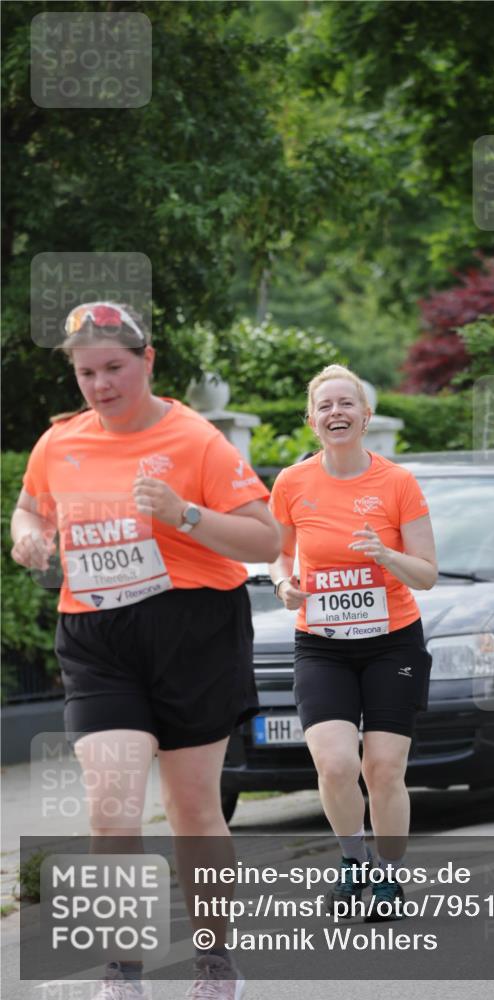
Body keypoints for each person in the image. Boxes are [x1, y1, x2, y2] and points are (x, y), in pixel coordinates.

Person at [10, 302, 281, 1000]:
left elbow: (265, 539)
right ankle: (122, 973)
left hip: (194, 630)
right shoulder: (59, 442)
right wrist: (28, 534)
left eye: (114, 368)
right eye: (86, 373)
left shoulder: (196, 441)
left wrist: (183, 514)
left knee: (192, 810)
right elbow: (31, 505)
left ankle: (215, 965)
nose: (101, 385)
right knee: (112, 808)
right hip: (97, 635)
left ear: (148, 360)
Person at [268, 364, 437, 920]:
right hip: (322, 644)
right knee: (336, 764)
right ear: (311, 420)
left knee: (383, 768)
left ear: (365, 416)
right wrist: (283, 584)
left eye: (346, 404)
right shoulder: (292, 483)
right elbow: (277, 553)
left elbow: (427, 573)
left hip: (393, 641)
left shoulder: (397, 482)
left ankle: (388, 877)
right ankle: (353, 862)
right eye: (325, 406)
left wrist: (386, 555)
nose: (335, 413)